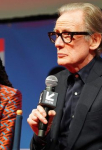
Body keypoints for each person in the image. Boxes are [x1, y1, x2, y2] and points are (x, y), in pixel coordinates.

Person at [27, 2, 102, 150]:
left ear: (94, 40)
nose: (58, 43)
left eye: (68, 35)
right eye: (57, 35)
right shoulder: (56, 82)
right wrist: (40, 135)